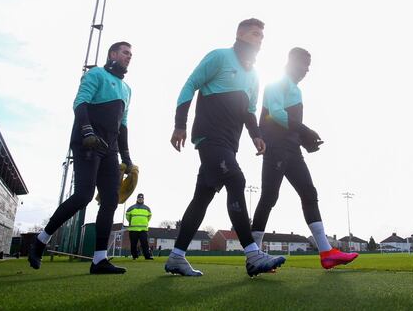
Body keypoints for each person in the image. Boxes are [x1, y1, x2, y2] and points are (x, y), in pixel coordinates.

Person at [166, 18, 285, 277]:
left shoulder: (254, 76)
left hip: (230, 144)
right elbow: (190, 85)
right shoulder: (219, 57)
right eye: (255, 34)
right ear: (240, 34)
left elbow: (250, 111)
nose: (259, 41)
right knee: (236, 179)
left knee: (202, 198)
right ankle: (253, 254)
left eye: (262, 37)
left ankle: (176, 257)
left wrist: (256, 135)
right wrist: (179, 124)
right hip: (209, 137)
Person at [28, 42, 134, 275]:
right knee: (84, 195)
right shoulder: (96, 74)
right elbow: (80, 103)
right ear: (113, 54)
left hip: (110, 148)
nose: (129, 56)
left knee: (110, 201)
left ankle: (99, 260)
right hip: (88, 141)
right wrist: (87, 131)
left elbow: (123, 125)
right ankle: (41, 240)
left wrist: (127, 157)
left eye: (131, 54)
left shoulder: (127, 89)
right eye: (125, 52)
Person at [251, 48, 358, 269]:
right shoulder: (275, 85)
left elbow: (288, 123)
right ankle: (254, 256)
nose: (306, 70)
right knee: (269, 197)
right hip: (276, 148)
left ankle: (326, 251)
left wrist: (304, 139)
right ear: (291, 61)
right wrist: (305, 129)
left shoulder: (296, 90)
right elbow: (276, 113)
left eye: (309, 66)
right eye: (303, 65)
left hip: (292, 149)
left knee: (309, 193)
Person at [126, 193, 153, 259]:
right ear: (137, 199)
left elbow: (149, 217)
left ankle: (147, 256)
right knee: (133, 244)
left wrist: (144, 223)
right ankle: (134, 256)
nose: (140, 199)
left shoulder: (147, 208)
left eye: (141, 198)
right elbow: (127, 217)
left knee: (145, 243)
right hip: (133, 229)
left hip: (143, 229)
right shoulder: (131, 208)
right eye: (139, 198)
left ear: (143, 199)